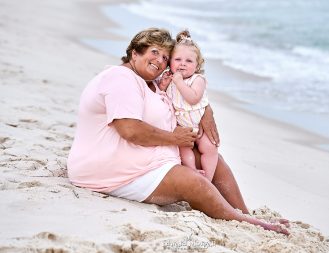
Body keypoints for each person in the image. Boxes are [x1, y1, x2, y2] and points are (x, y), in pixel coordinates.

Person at [67, 28, 289, 235]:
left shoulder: (150, 80)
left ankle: (244, 213)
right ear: (134, 53)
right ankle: (247, 223)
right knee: (193, 182)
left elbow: (186, 95)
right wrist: (174, 138)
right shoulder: (121, 79)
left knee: (213, 159)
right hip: (109, 167)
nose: (160, 60)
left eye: (165, 57)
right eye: (154, 52)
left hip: (143, 156)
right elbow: (130, 130)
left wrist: (207, 110)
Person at [158, 30, 217, 181]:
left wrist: (178, 82)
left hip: (199, 125)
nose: (183, 64)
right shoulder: (171, 79)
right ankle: (193, 172)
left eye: (189, 61)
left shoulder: (198, 79)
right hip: (182, 127)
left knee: (209, 149)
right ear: (170, 63)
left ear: (197, 65)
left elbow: (193, 98)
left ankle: (208, 178)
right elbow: (162, 97)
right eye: (178, 60)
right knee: (183, 150)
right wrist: (163, 85)